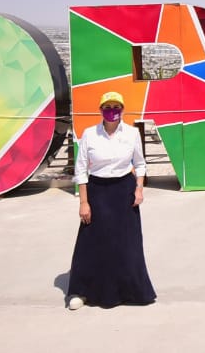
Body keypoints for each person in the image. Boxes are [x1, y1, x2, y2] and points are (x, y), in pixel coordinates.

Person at [66, 91, 156, 310]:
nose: (112, 111)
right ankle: (83, 291)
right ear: (100, 110)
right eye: (107, 107)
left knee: (126, 243)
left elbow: (140, 164)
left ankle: (129, 290)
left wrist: (139, 189)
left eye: (116, 107)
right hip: (97, 191)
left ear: (122, 110)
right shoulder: (90, 134)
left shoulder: (132, 133)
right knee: (91, 242)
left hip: (124, 190)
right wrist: (83, 202)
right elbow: (81, 169)